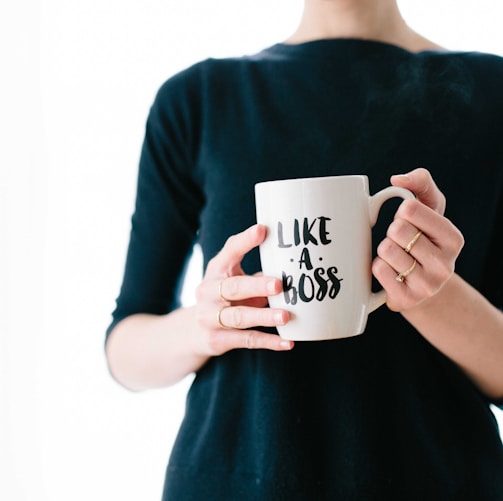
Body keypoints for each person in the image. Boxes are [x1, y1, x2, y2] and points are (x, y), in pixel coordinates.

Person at [105, 0, 503, 498]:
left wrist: (432, 296)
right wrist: (204, 325)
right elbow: (125, 349)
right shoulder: (199, 100)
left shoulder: (493, 94)